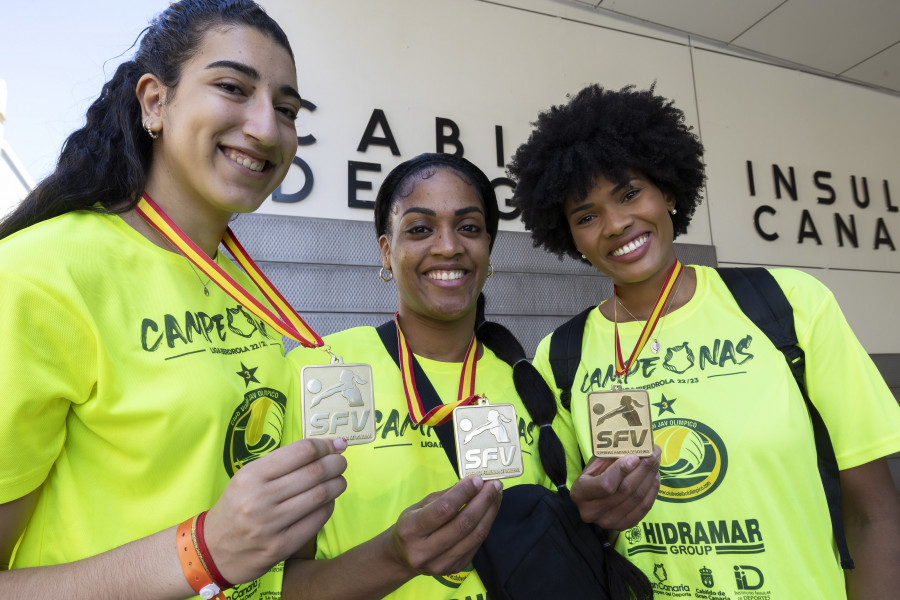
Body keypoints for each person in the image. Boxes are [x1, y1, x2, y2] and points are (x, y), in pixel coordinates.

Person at [0, 1, 347, 598]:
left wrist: (398, 552)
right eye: (233, 88)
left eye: (287, 110)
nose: (267, 128)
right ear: (155, 102)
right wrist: (202, 553)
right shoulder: (41, 273)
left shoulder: (243, 286)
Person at [508, 83, 900, 599]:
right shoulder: (561, 354)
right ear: (570, 237)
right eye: (586, 216)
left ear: (667, 191)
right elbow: (563, 526)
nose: (616, 224)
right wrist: (584, 511)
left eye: (629, 193)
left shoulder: (788, 304)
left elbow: (872, 514)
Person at [282, 153, 660, 599]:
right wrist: (392, 558)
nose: (448, 246)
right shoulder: (321, 370)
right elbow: (279, 585)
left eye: (469, 228)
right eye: (421, 229)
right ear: (387, 250)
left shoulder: (532, 383)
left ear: (487, 248)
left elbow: (566, 547)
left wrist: (603, 510)